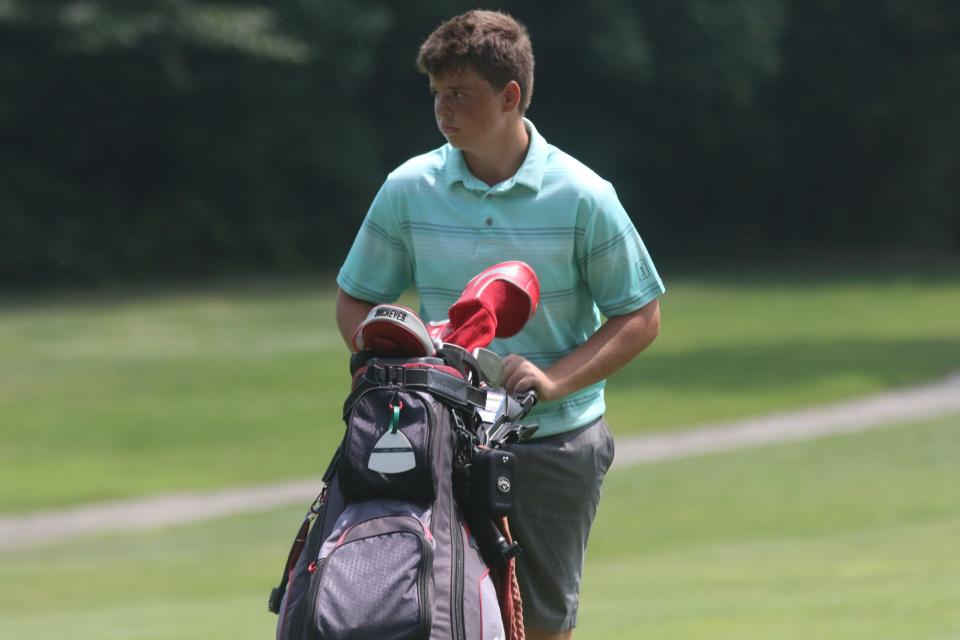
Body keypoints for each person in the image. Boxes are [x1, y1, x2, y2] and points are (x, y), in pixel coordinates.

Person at [334, 9, 664, 640]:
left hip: (553, 442)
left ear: (511, 96)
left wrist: (556, 378)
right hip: (438, 439)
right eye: (436, 94)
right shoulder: (409, 188)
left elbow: (641, 315)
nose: (443, 109)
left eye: (459, 94)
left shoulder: (583, 196)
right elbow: (356, 300)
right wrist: (394, 354)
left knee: (538, 626)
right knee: (430, 615)